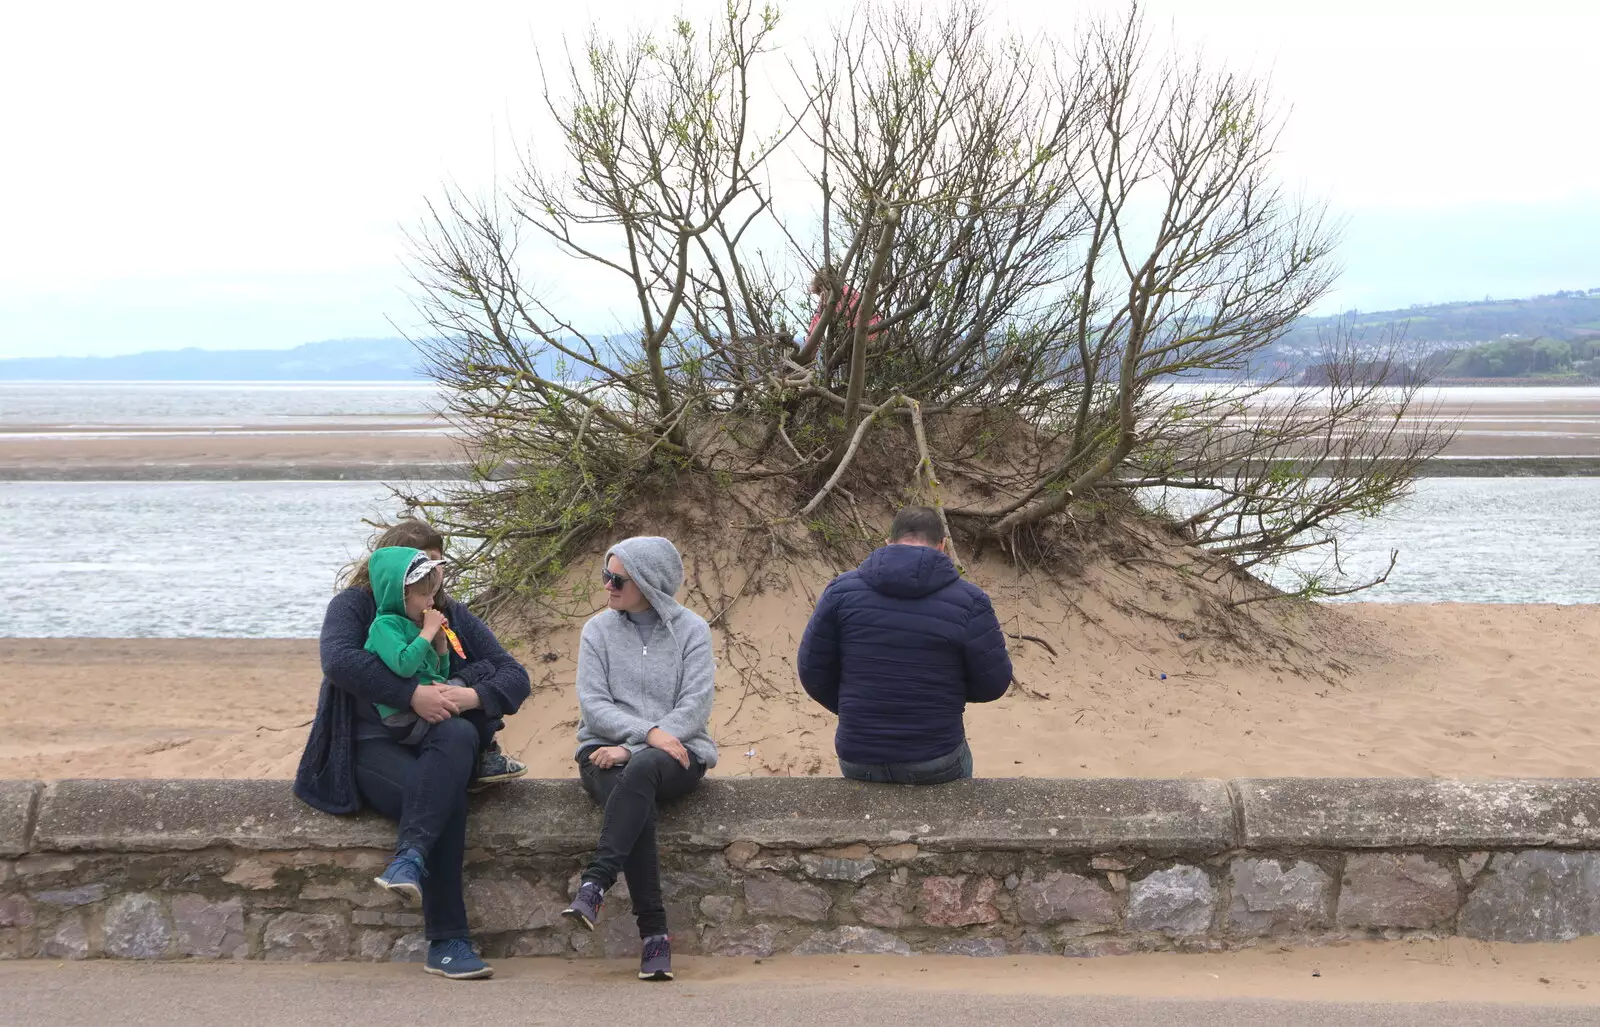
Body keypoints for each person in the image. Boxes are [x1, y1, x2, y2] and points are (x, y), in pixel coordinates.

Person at [294, 520, 530, 980]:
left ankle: (409, 861)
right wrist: (411, 695)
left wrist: (470, 693)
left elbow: (512, 673)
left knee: (460, 735)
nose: (436, 579)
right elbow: (339, 659)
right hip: (369, 748)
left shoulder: (447, 613)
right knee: (446, 801)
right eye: (426, 568)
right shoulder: (355, 608)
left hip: (438, 744)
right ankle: (447, 941)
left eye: (439, 568)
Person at [562, 536, 717, 982]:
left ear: (649, 583)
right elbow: (594, 705)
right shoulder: (596, 630)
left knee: (645, 768)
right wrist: (645, 734)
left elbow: (695, 706)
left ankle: (596, 881)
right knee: (636, 806)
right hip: (602, 751)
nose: (607, 586)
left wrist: (635, 746)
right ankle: (655, 937)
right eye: (605, 576)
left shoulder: (692, 630)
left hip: (678, 753)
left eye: (618, 579)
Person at [796, 505, 1012, 784]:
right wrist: (943, 692)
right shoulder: (971, 600)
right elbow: (994, 682)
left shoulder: (840, 591)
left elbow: (812, 670)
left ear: (889, 543)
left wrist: (859, 707)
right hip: (935, 756)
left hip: (858, 753)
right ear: (943, 546)